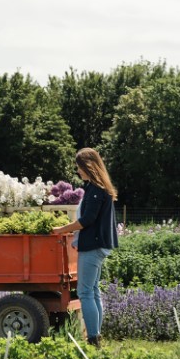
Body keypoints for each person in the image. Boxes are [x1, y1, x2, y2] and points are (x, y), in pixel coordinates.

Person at [52, 147, 118, 348]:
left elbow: (87, 220)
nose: (78, 171)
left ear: (88, 166)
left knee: (85, 292)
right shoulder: (95, 187)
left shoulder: (96, 190)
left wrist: (62, 229)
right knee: (94, 291)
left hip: (93, 245)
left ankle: (93, 339)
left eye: (79, 167)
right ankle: (96, 337)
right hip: (97, 245)